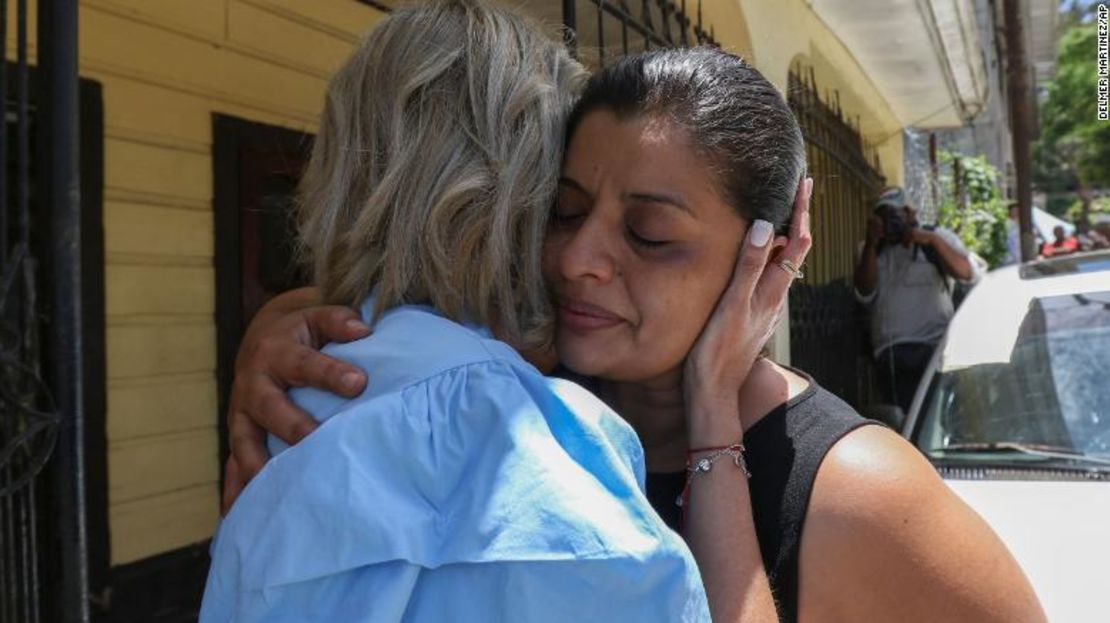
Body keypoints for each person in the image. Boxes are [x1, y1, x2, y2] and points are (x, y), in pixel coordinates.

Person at [224, 50, 1046, 623]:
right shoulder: (526, 402)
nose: (580, 259)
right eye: (566, 211)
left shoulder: (861, 491)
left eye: (650, 236)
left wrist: (714, 419)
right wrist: (289, 322)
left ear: (772, 253)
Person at [200, 4, 734, 620]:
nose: (585, 256)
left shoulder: (293, 405)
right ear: (522, 197)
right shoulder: (544, 456)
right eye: (567, 207)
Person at [853, 186, 980, 413]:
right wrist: (872, 243)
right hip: (892, 353)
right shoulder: (872, 249)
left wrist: (931, 241)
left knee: (936, 414)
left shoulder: (936, 238)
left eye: (897, 214)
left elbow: (966, 273)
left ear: (911, 213)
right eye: (885, 215)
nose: (892, 221)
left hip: (934, 348)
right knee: (904, 418)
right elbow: (864, 292)